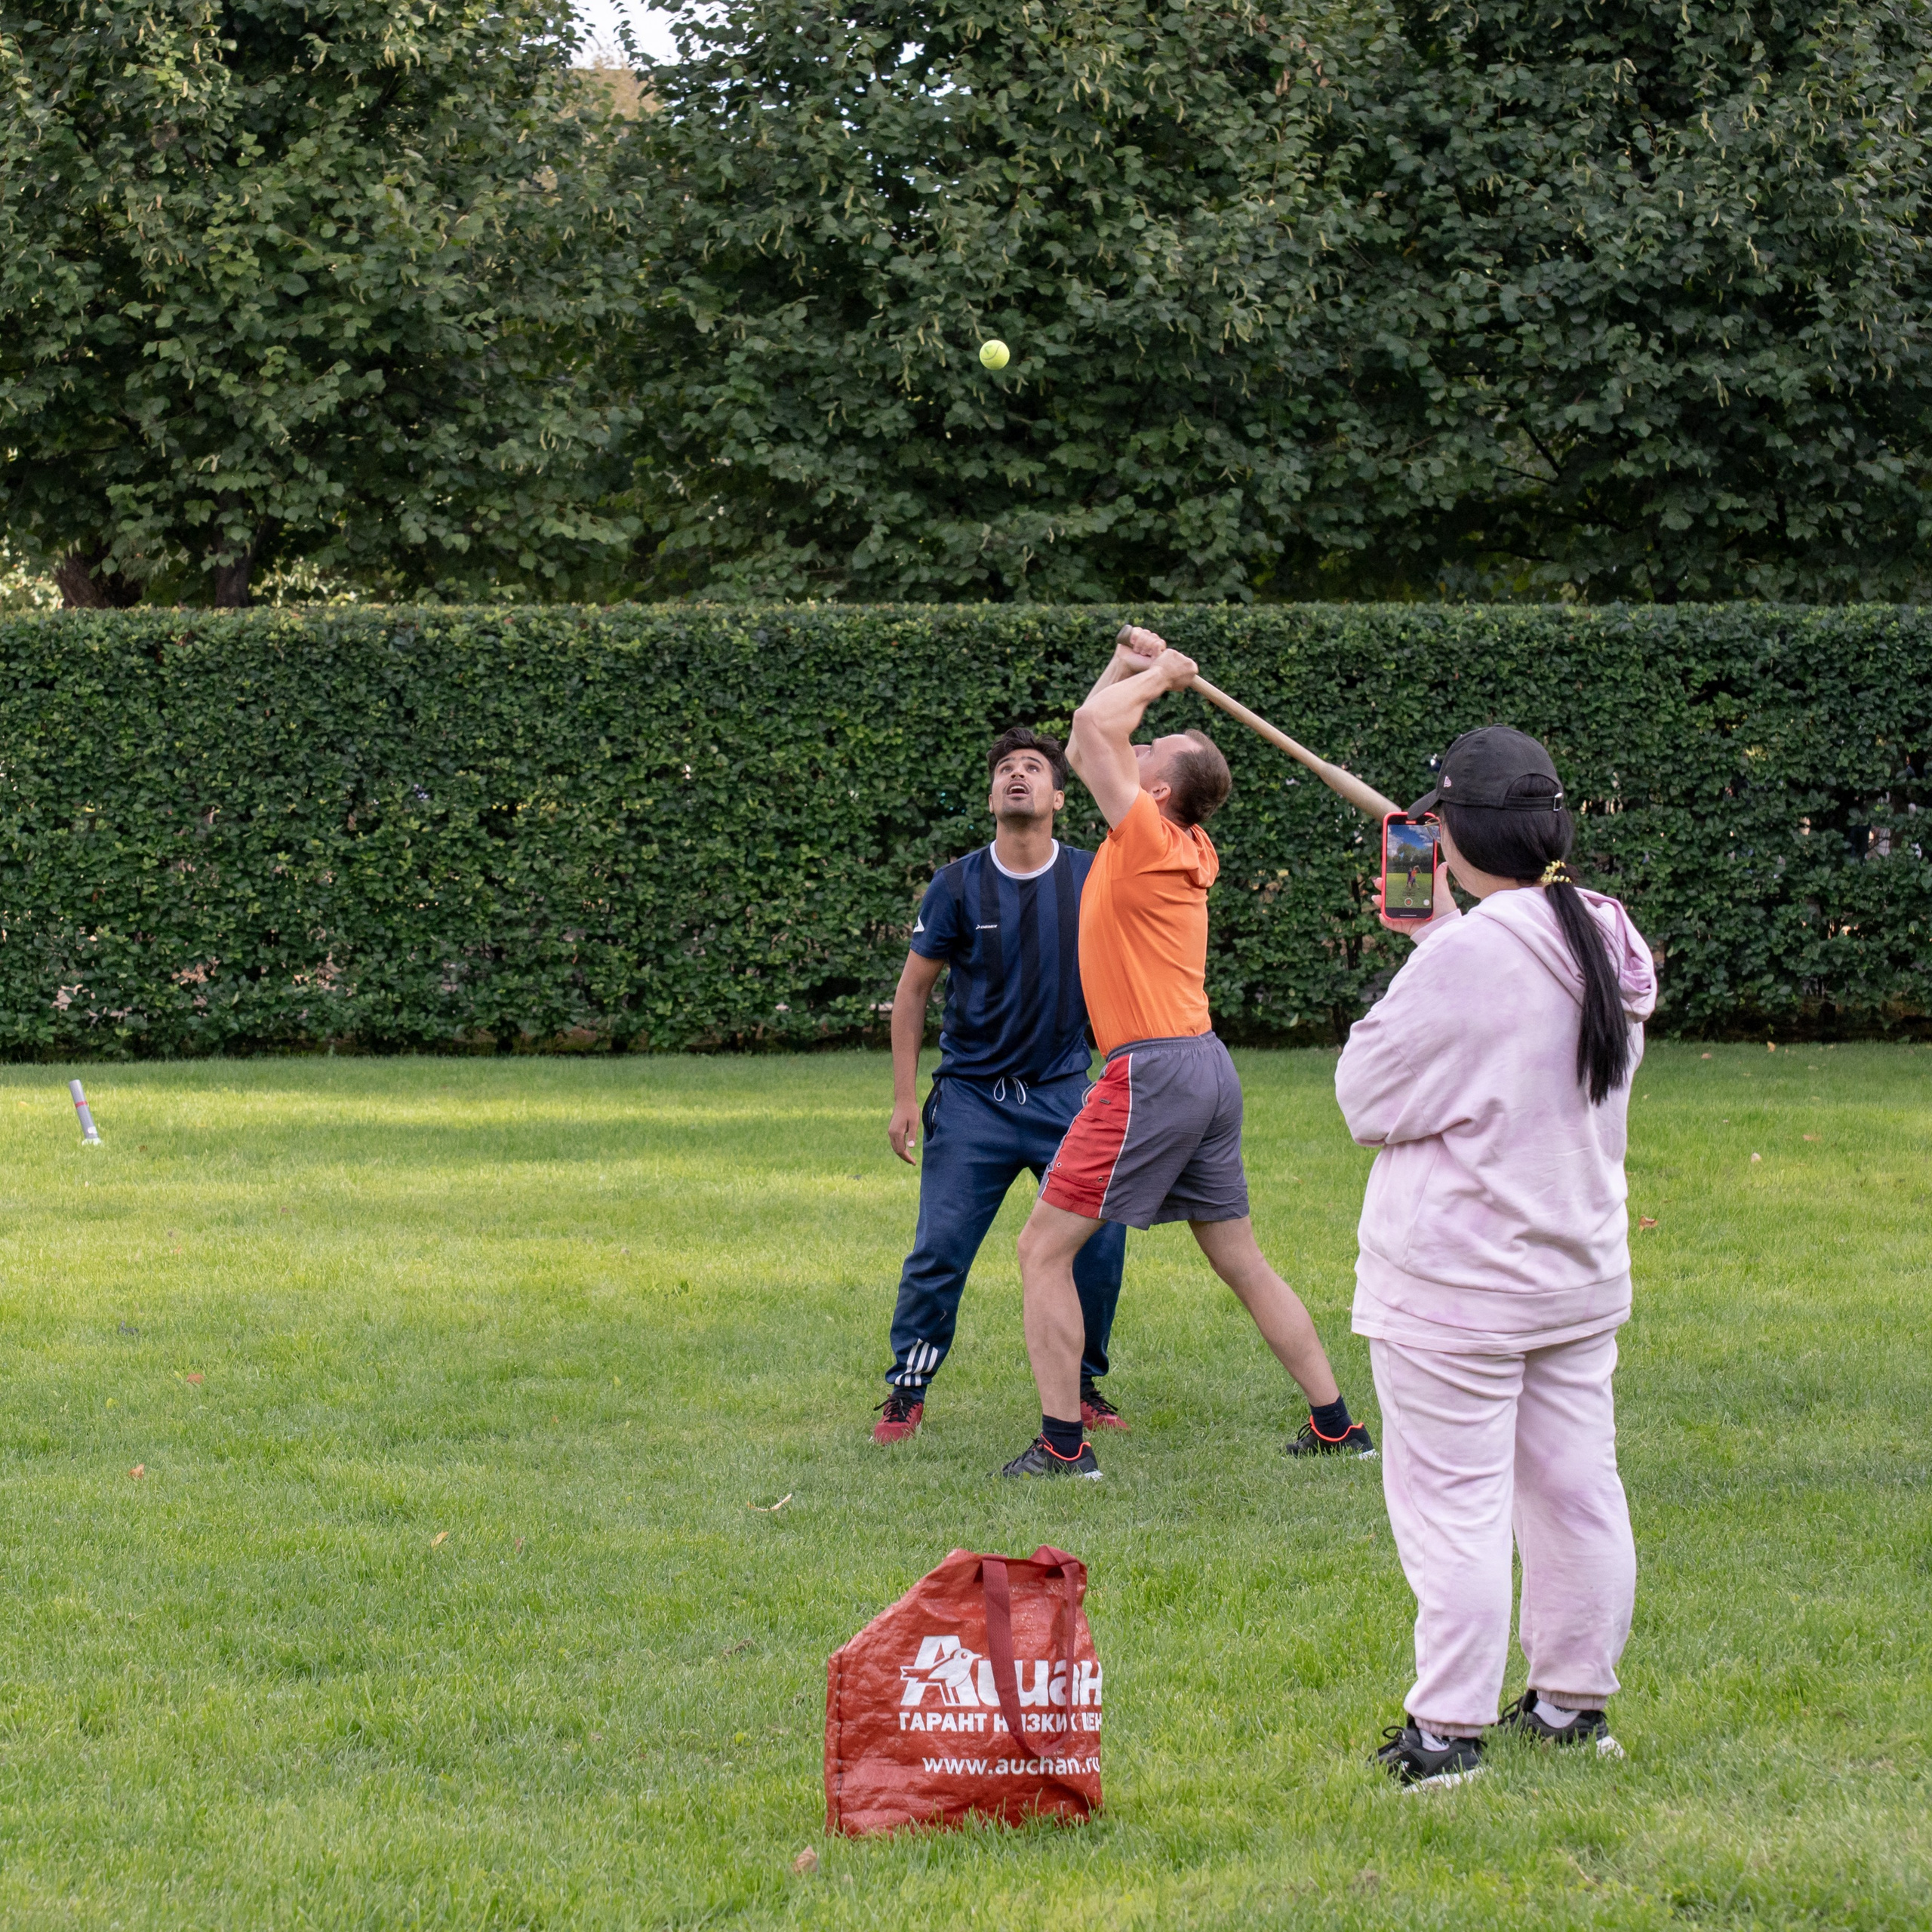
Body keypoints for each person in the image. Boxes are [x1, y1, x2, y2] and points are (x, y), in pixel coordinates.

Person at [1335, 726, 1657, 1787]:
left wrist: (1437, 940)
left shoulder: (1467, 955)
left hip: (1456, 1288)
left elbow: (1367, 1099)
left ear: (1454, 835)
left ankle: (1446, 1737)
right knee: (1577, 1493)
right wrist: (1445, 935)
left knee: (1454, 1511)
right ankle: (1572, 1709)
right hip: (1575, 1277)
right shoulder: (1609, 932)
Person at [1000, 626, 1372, 1479]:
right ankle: (1335, 1427)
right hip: (1204, 1066)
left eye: (1152, 747)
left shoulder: (1144, 836)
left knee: (1041, 1250)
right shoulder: (1186, 842)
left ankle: (1063, 1448)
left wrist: (1163, 676)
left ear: (1158, 788)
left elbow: (1092, 731)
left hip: (1153, 1073)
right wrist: (1128, 667)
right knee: (1239, 1256)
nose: (1136, 746)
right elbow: (1085, 739)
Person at [872, 726, 1131, 1443]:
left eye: (1034, 768)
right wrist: (904, 1099)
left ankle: (1082, 1387)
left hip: (1064, 1096)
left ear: (1058, 796)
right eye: (1006, 769)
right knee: (939, 1249)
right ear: (991, 797)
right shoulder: (956, 885)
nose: (1018, 776)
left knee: (1099, 1249)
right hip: (972, 1100)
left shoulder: (1094, 876)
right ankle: (907, 1389)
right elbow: (913, 993)